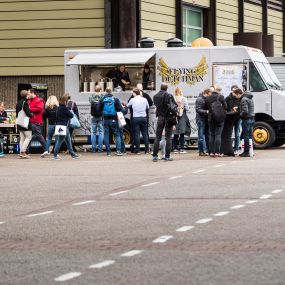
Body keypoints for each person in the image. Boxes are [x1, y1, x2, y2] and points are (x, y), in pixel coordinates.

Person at [152, 83, 177, 162]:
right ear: (167, 88)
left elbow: (157, 106)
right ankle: (167, 156)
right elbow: (174, 106)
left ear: (160, 87)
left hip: (160, 117)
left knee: (157, 137)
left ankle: (155, 156)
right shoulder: (169, 95)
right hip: (168, 118)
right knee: (168, 138)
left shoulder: (155, 96)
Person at [97, 87, 123, 156]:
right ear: (111, 91)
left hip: (105, 120)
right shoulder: (115, 99)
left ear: (105, 91)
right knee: (117, 135)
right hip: (114, 120)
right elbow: (120, 108)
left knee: (106, 135)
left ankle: (108, 152)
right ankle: (118, 151)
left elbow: (98, 110)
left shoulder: (102, 99)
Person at [53, 93, 80, 160]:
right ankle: (55, 155)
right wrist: (69, 110)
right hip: (64, 127)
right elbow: (71, 115)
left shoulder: (58, 108)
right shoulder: (65, 108)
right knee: (59, 141)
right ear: (64, 101)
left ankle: (73, 154)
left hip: (60, 126)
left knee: (68, 141)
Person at [205, 85, 227, 157]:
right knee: (218, 135)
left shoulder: (208, 98)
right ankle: (217, 152)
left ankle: (211, 152)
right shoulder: (221, 97)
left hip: (211, 118)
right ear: (219, 91)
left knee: (211, 135)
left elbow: (206, 107)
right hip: (220, 118)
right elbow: (225, 106)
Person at [232, 89, 255, 157]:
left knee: (246, 136)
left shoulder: (243, 99)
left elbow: (245, 111)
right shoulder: (249, 98)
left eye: (235, 96)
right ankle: (251, 151)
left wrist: (239, 114)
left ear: (238, 94)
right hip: (252, 118)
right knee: (249, 135)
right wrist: (239, 108)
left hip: (246, 119)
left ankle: (246, 152)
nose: (235, 97)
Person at [127, 88, 150, 154]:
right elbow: (147, 107)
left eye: (133, 93)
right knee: (145, 134)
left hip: (136, 118)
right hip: (143, 118)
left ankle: (137, 150)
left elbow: (128, 106)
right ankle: (147, 150)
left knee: (137, 134)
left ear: (134, 93)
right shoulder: (144, 99)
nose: (132, 94)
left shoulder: (132, 99)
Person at [27, 89, 47, 155]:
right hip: (30, 121)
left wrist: (29, 109)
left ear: (32, 93)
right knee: (28, 136)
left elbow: (39, 109)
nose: (28, 95)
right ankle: (26, 151)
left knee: (38, 136)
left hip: (36, 121)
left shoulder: (39, 100)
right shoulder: (29, 101)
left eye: (29, 93)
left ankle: (46, 149)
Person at [15, 90, 33, 159]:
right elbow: (28, 113)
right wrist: (31, 115)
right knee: (28, 137)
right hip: (25, 123)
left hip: (19, 123)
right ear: (26, 95)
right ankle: (23, 152)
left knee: (22, 138)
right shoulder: (25, 103)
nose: (29, 95)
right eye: (28, 94)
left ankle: (21, 153)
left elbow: (17, 114)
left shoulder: (18, 103)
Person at [173, 87, 190, 154]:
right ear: (181, 92)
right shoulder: (184, 99)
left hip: (175, 117)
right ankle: (182, 148)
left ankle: (175, 148)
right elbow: (187, 108)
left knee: (175, 134)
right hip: (182, 117)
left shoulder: (173, 98)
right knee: (182, 133)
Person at [225, 85, 241, 154]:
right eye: (234, 90)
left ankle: (236, 147)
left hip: (237, 118)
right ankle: (229, 147)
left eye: (236, 90)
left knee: (237, 133)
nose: (235, 92)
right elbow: (225, 107)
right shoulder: (227, 98)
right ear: (231, 91)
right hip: (230, 118)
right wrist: (230, 111)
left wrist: (237, 109)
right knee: (230, 133)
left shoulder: (239, 98)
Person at [195, 88, 211, 156]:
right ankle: (201, 151)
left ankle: (208, 150)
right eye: (210, 94)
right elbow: (198, 109)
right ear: (206, 93)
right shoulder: (199, 99)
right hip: (201, 119)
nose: (211, 95)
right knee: (201, 136)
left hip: (206, 119)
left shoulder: (206, 99)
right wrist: (207, 111)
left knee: (207, 135)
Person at [89, 85, 104, 153]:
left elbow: (90, 102)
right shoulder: (102, 96)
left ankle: (93, 149)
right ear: (100, 89)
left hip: (93, 116)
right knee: (101, 132)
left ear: (95, 89)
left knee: (93, 132)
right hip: (100, 116)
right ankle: (100, 149)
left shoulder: (91, 96)